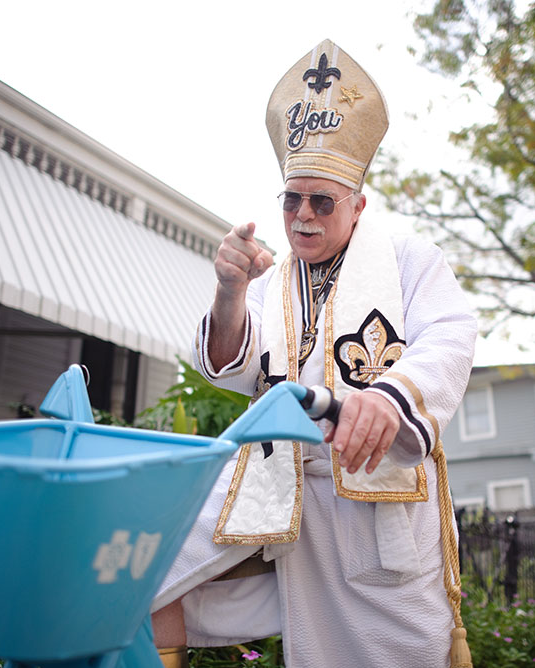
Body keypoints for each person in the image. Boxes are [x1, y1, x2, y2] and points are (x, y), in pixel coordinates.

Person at [150, 39, 477, 668]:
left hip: (375, 502)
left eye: (321, 202)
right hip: (276, 488)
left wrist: (389, 396)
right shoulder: (269, 285)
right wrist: (228, 291)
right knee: (149, 558)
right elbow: (228, 367)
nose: (302, 215)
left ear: (357, 206)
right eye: (291, 199)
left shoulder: (410, 262)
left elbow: (451, 336)